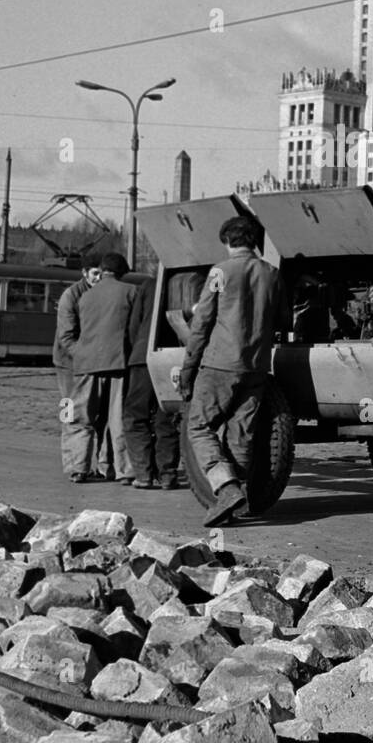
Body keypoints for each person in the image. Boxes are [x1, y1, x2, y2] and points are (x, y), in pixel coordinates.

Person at [179, 215, 283, 528]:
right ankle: (241, 500)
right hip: (257, 367)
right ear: (254, 242)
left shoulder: (220, 273)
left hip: (220, 365)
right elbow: (283, 320)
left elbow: (201, 324)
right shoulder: (272, 274)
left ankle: (225, 488)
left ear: (227, 242)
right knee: (242, 433)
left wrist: (188, 367)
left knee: (198, 426)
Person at [74, 253, 137, 485]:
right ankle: (123, 471)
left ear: (103, 270)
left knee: (82, 418)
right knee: (118, 418)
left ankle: (78, 467)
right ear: (122, 272)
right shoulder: (131, 291)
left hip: (86, 364)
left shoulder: (86, 296)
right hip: (118, 362)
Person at [124, 274, 182, 490]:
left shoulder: (149, 284)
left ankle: (143, 474)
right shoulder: (189, 278)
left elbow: (134, 324)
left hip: (143, 356)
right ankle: (167, 474)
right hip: (175, 356)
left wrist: (136, 348)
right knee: (166, 417)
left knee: (135, 416)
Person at [54, 263, 102, 483]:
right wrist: (84, 358)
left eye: (102, 273)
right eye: (94, 273)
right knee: (70, 411)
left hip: (90, 363)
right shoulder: (71, 295)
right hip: (69, 365)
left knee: (91, 413)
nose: (98, 277)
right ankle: (74, 465)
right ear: (84, 272)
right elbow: (66, 337)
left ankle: (84, 464)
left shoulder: (98, 292)